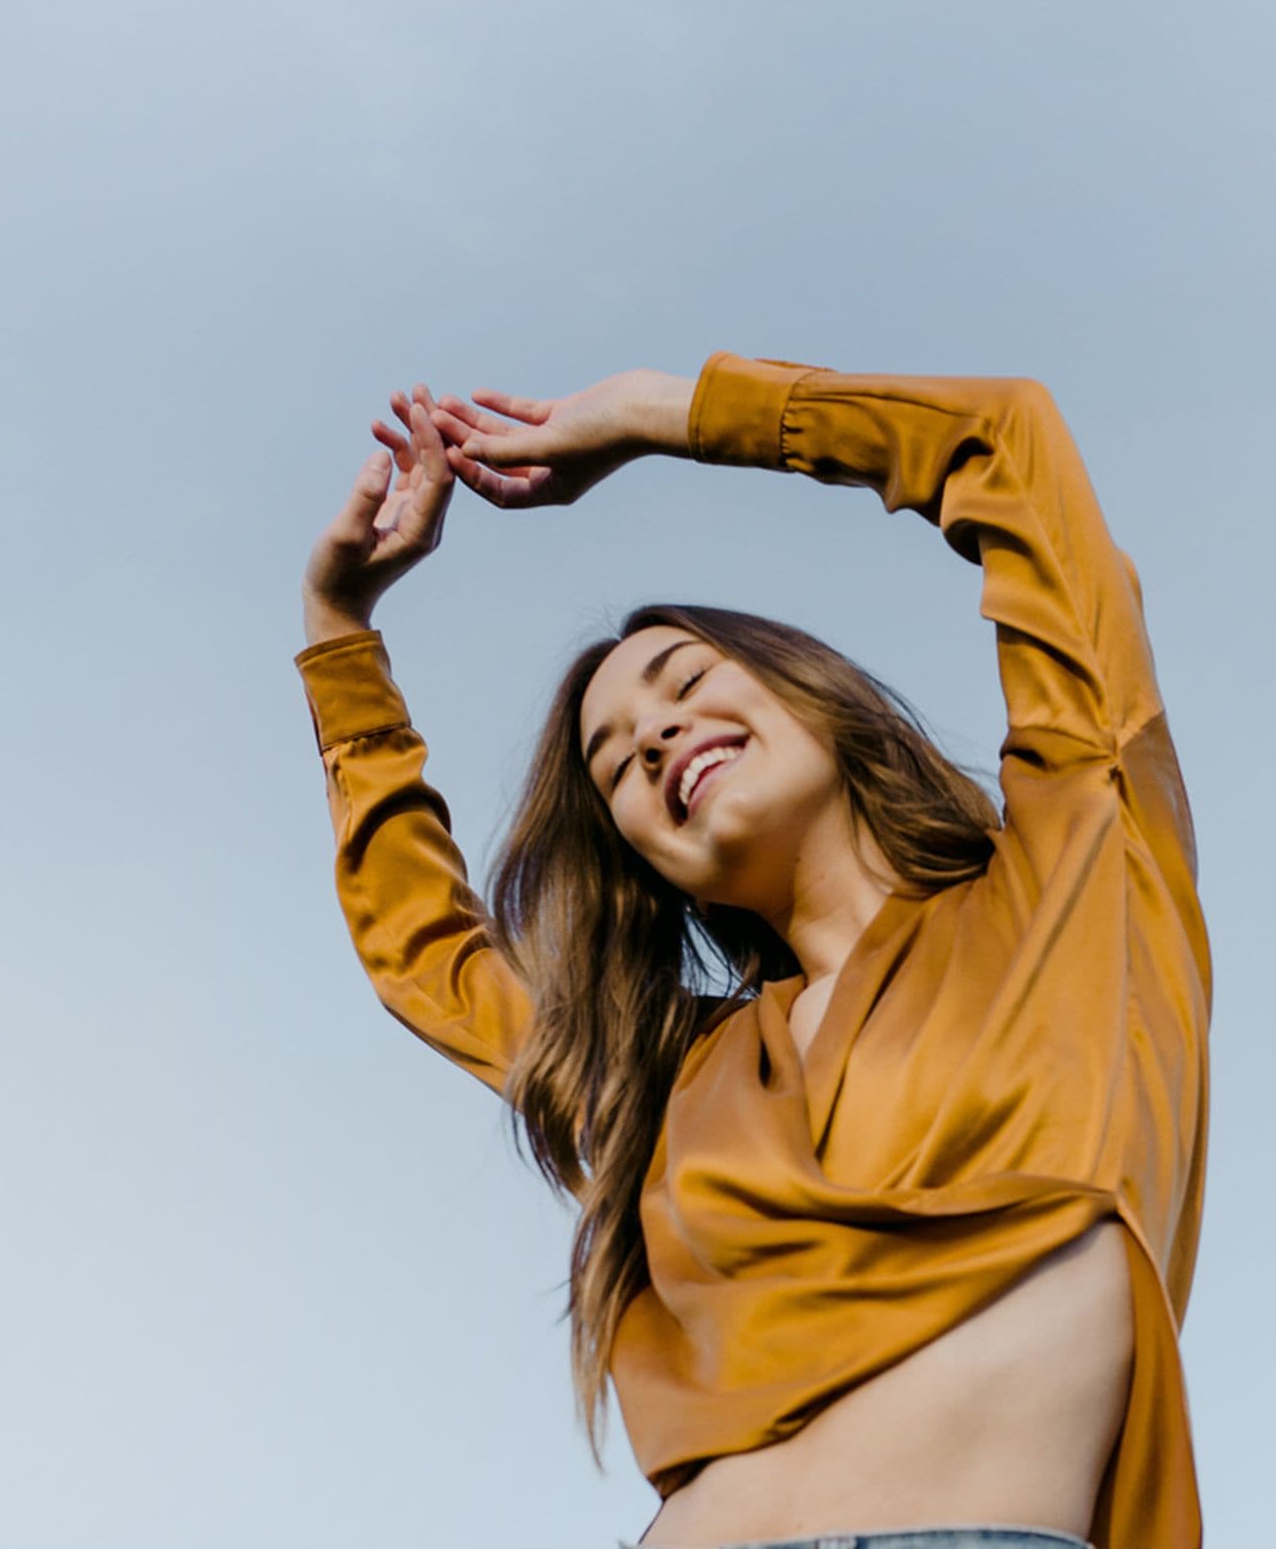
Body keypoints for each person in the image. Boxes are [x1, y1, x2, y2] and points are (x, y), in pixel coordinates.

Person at [297, 355, 1208, 1549]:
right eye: (618, 762)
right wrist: (338, 631)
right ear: (645, 858)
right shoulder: (671, 1078)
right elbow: (425, 955)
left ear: (816, 696)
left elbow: (1010, 449)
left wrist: (650, 417)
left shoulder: (1073, 886)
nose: (657, 733)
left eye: (684, 682)